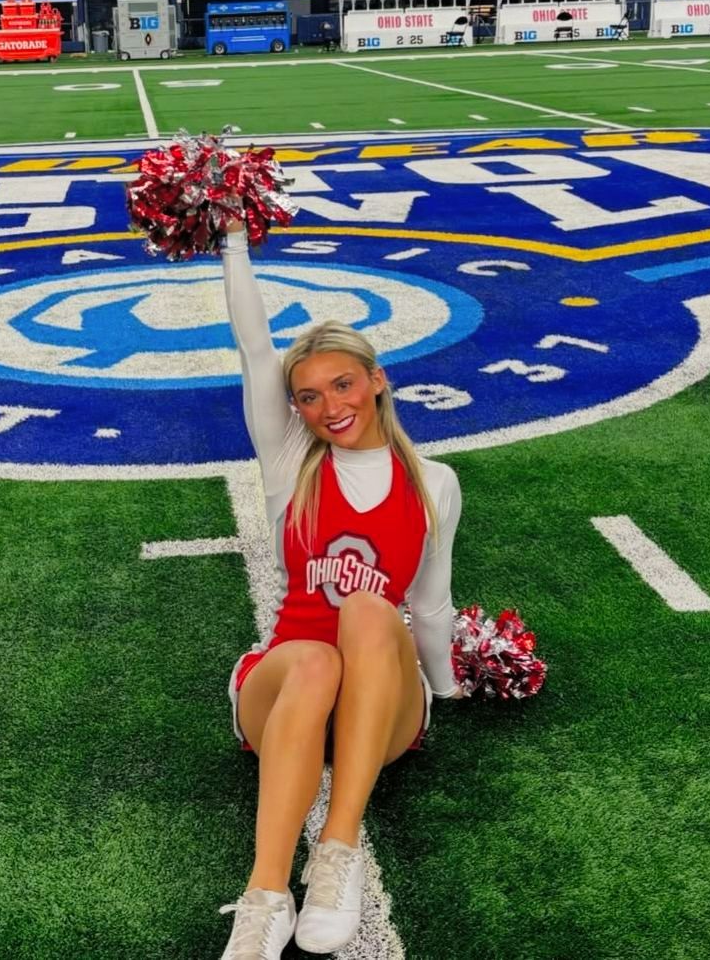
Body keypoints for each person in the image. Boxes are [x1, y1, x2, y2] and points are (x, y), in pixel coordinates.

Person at [218, 222, 463, 959]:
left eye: (342, 383)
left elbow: (428, 604)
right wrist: (233, 238)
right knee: (316, 658)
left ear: (377, 378)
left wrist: (446, 686)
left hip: (381, 704)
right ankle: (265, 897)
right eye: (307, 397)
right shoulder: (290, 462)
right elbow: (255, 348)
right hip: (289, 691)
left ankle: (336, 851)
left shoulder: (434, 483)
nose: (328, 406)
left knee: (364, 609)